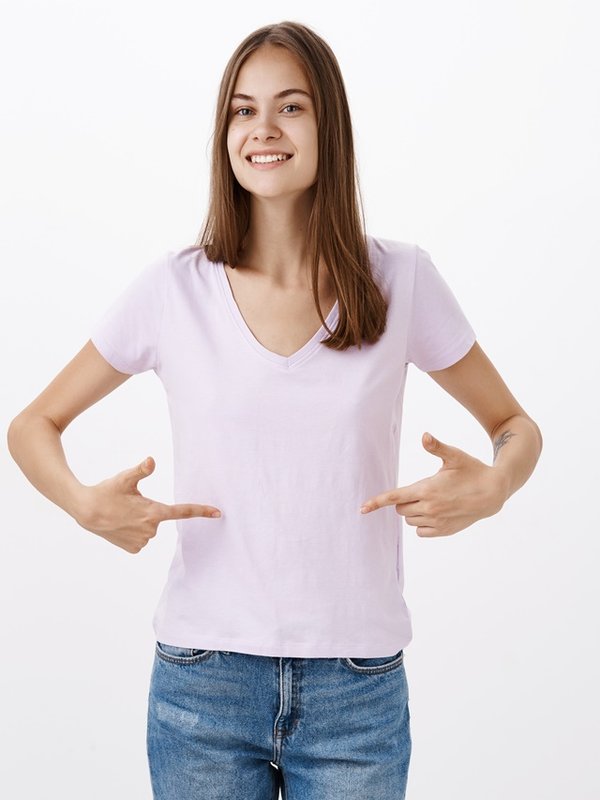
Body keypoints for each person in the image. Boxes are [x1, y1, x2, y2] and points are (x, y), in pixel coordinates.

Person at [7, 19, 543, 800]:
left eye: (290, 107)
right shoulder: (173, 289)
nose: (263, 129)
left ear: (329, 124)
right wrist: (84, 504)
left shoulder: (403, 280)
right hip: (202, 686)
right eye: (242, 110)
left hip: (357, 689)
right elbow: (32, 425)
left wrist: (495, 485)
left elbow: (517, 428)